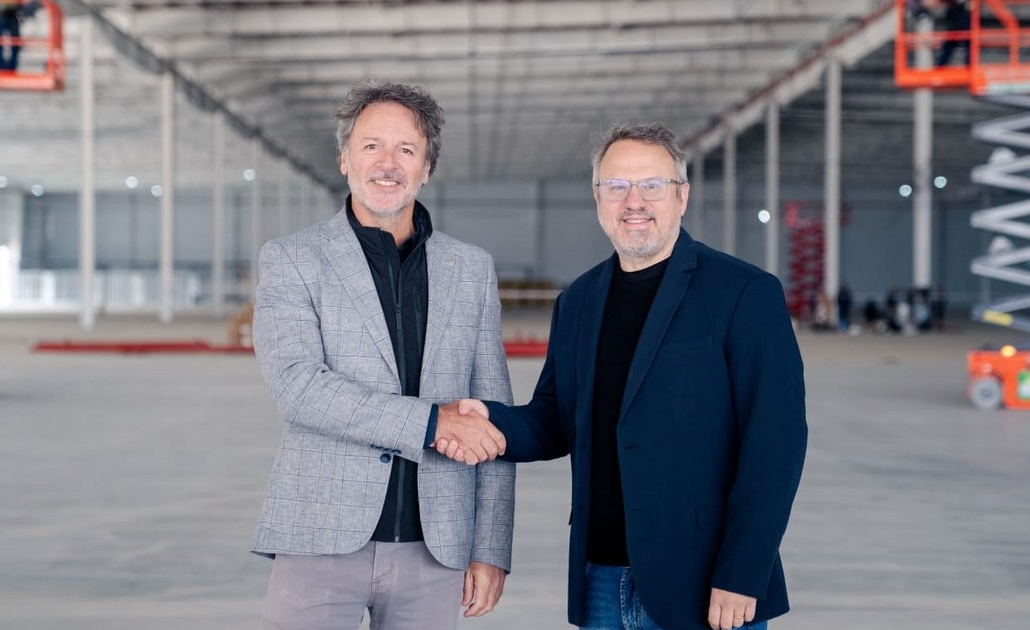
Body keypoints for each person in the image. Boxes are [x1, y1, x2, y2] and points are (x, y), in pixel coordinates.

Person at [438, 123, 807, 630]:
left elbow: (776, 444)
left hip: (706, 582)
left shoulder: (744, 293)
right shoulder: (579, 301)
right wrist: (489, 420)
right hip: (601, 580)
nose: (634, 201)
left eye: (652, 185)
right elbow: (556, 420)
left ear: (682, 196)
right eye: (617, 186)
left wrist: (743, 572)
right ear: (598, 199)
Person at [250, 80, 516, 629]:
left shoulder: (471, 269)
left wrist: (491, 546)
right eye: (371, 146)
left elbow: (493, 412)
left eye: (406, 150)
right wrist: (431, 423)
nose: (387, 164)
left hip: (436, 548)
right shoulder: (292, 260)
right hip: (320, 535)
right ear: (345, 159)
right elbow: (299, 387)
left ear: (427, 167)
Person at [0, 0, 35, 71]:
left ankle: (9, 67)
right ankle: (1, 67)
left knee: (14, 42)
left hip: (11, 13)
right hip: (0, 13)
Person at [936, 0, 972, 67]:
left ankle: (969, 68)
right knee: (947, 48)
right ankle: (940, 68)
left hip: (963, 25)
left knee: (970, 47)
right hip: (955, 25)